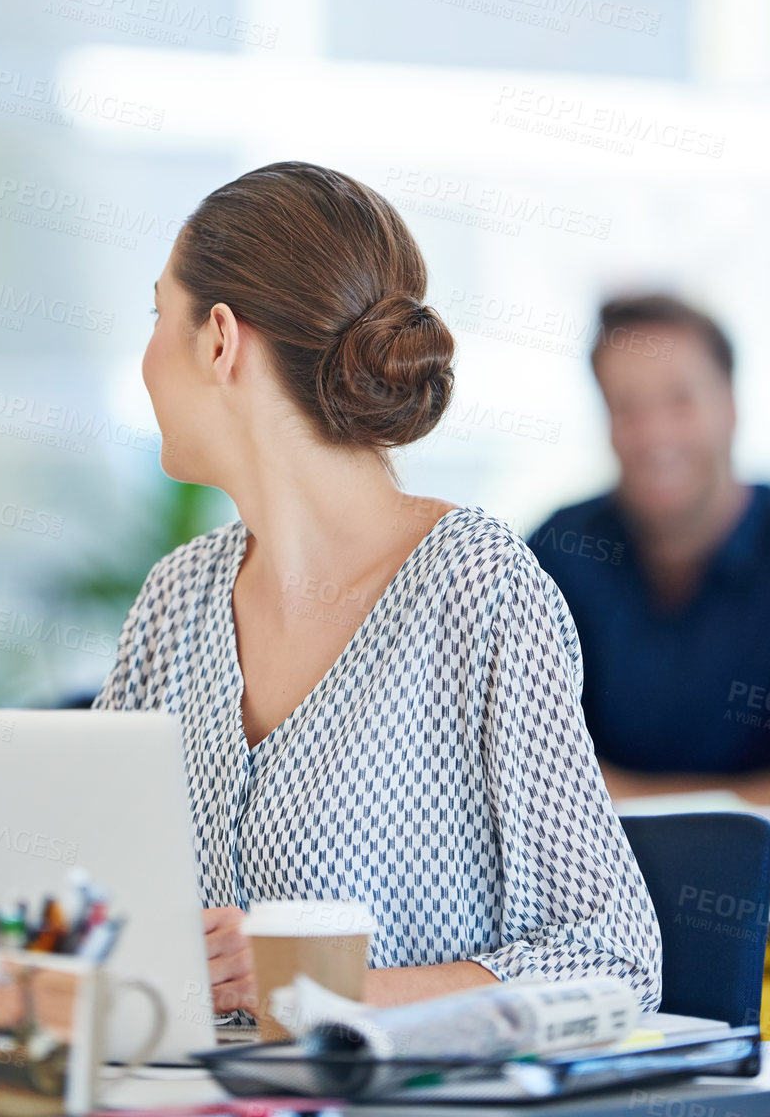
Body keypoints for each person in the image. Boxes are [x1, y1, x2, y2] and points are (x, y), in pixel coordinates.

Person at [95, 162, 661, 1017]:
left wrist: (323, 985)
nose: (144, 357)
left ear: (218, 339)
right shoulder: (176, 598)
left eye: (154, 314)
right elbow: (90, 896)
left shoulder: (479, 589)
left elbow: (612, 961)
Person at [529, 294, 770, 811]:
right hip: (595, 885)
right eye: (627, 406)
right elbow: (523, 763)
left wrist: (625, 799)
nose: (654, 433)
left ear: (730, 406)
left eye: (680, 400)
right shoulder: (562, 549)